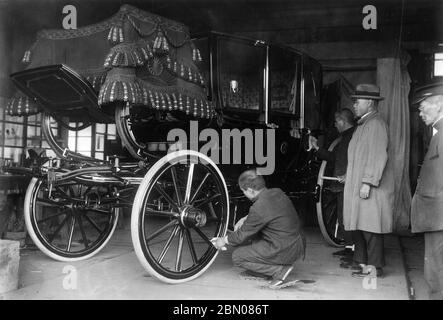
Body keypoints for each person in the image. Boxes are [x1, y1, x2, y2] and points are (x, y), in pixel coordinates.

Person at [211, 169, 305, 289]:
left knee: (238, 256)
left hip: (283, 249)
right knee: (251, 238)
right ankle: (265, 269)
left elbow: (241, 236)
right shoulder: (277, 192)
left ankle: (279, 270)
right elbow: (271, 212)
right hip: (297, 244)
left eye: (243, 191)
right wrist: (246, 218)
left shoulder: (259, 207)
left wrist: (222, 240)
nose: (244, 194)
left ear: (250, 190)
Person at [343, 83, 394, 278]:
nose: (354, 104)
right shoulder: (364, 125)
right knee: (360, 225)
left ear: (370, 103)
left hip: (369, 186)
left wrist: (368, 182)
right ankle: (362, 263)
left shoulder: (376, 125)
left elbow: (377, 156)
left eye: (358, 101)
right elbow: (359, 156)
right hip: (358, 183)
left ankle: (374, 267)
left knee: (371, 227)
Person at [309, 109, 356, 263]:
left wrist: (348, 175)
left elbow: (358, 160)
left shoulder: (354, 137)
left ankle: (353, 251)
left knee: (348, 218)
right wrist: (317, 149)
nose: (335, 125)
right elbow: (334, 157)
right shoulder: (345, 138)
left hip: (348, 184)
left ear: (342, 121)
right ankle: (349, 248)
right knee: (343, 218)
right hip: (340, 184)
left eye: (336, 122)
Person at [411, 82, 443, 300]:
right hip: (436, 213)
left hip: (439, 214)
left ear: (440, 103)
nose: (421, 113)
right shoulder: (438, 133)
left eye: (424, 107)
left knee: (436, 267)